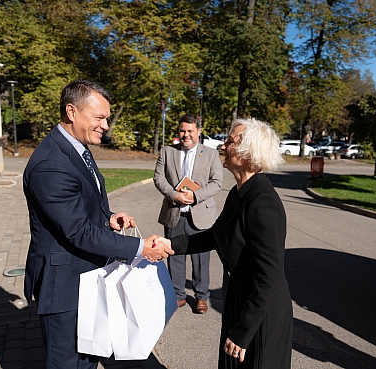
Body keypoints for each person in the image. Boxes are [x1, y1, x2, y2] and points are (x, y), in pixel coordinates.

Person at [23, 79, 173, 369]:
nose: (105, 125)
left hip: (88, 280)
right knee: (68, 365)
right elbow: (78, 232)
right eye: (99, 117)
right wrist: (140, 248)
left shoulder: (78, 148)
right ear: (71, 111)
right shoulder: (51, 163)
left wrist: (108, 217)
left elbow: (81, 210)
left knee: (89, 361)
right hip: (65, 289)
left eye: (106, 118)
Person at [161, 118, 293, 368]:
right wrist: (169, 245)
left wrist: (244, 331)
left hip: (260, 313)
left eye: (230, 142)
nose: (223, 146)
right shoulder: (239, 192)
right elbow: (214, 235)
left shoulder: (264, 203)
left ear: (248, 152)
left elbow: (269, 276)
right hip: (238, 297)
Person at [153, 113, 223, 313]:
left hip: (201, 215)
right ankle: (178, 295)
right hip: (174, 213)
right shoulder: (167, 152)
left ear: (198, 132)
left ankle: (201, 296)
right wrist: (175, 195)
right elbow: (158, 178)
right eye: (182, 131)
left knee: (201, 258)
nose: (186, 135)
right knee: (174, 254)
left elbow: (217, 182)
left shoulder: (210, 154)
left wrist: (195, 196)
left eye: (190, 131)